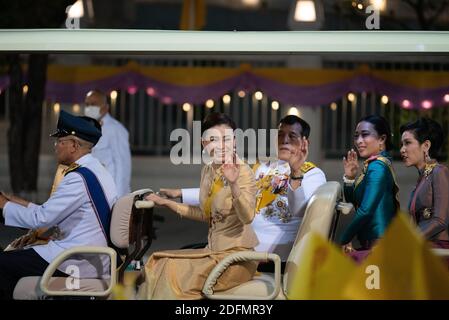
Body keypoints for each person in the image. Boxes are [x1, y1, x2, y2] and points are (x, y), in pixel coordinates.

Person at [158, 115, 327, 271]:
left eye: (292, 136)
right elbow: (226, 192)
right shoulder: (262, 167)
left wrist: (296, 171)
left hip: (272, 256)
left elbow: (300, 210)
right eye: (280, 134)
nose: (285, 140)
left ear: (305, 143)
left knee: (181, 265)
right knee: (182, 255)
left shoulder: (312, 174)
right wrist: (180, 193)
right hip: (240, 246)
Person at [0, 110, 118, 299]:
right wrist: (13, 202)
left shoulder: (77, 178)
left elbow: (41, 219)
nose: (55, 146)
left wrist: (4, 207)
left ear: (73, 145)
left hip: (74, 261)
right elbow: (49, 213)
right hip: (87, 255)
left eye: (59, 141)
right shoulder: (95, 170)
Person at [139, 112, 258, 299]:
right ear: (204, 144)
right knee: (157, 262)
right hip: (213, 253)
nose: (221, 146)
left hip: (236, 258)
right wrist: (167, 203)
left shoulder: (243, 172)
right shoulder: (208, 170)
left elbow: (248, 216)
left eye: (226, 139)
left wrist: (234, 184)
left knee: (170, 272)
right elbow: (205, 215)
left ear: (235, 141)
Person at [340, 115, 400, 253]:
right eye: (356, 136)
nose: (359, 141)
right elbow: (355, 203)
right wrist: (350, 178)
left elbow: (366, 211)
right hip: (373, 243)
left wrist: (343, 239)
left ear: (382, 139)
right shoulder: (374, 164)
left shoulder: (378, 167)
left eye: (365, 135)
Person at [400, 118, 449, 248]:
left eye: (407, 143)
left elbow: (440, 220)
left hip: (438, 251)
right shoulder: (423, 177)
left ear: (426, 146)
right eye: (402, 144)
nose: (402, 149)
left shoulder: (439, 172)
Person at [84, 89, 131, 197]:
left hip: (109, 192)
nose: (89, 108)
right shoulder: (87, 128)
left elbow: (123, 166)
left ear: (105, 108)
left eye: (93, 104)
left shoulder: (116, 129)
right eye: (87, 104)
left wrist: (118, 198)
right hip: (91, 188)